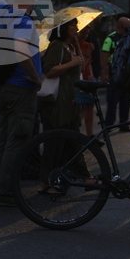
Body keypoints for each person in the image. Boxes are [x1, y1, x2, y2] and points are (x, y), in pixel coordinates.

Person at [0, 0, 43, 208]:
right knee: (17, 140)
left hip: (4, 85)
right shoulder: (24, 21)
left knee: (4, 138)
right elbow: (20, 49)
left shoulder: (5, 12)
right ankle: (7, 191)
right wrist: (36, 77)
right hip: (21, 88)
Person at [37, 19, 89, 194]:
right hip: (58, 103)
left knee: (72, 140)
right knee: (55, 143)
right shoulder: (57, 46)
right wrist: (70, 64)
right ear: (64, 28)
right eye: (73, 25)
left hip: (70, 102)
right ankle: (47, 182)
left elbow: (81, 65)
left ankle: (83, 176)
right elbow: (49, 70)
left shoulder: (70, 46)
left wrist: (76, 44)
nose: (77, 28)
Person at [101, 16, 130, 131]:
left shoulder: (129, 37)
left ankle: (124, 124)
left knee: (126, 100)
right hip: (114, 73)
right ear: (122, 25)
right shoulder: (111, 38)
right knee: (112, 100)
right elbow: (104, 56)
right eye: (128, 24)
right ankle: (109, 124)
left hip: (126, 74)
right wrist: (105, 73)